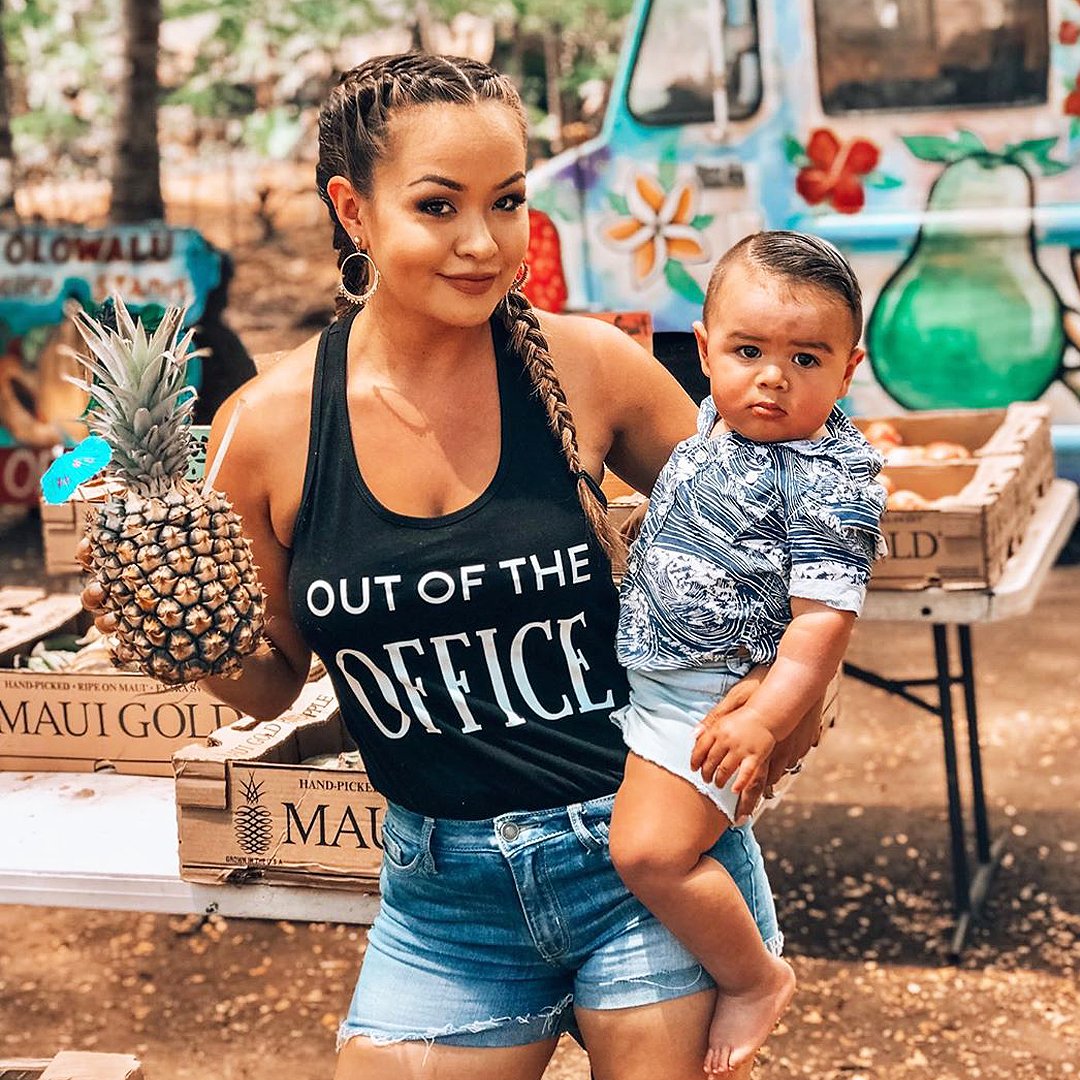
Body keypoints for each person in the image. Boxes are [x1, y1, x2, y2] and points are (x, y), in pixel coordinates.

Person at [80, 54, 817, 1079]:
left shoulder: (592, 369)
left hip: (646, 860)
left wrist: (789, 695)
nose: (483, 242)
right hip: (442, 899)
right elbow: (274, 681)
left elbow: (789, 520)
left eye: (507, 201)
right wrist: (183, 638)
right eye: (439, 206)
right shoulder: (267, 429)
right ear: (354, 210)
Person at [607, 231, 888, 1075]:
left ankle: (754, 976)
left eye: (806, 359)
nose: (773, 377)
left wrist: (766, 717)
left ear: (848, 370)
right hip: (658, 679)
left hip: (715, 699)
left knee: (649, 855)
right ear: (704, 352)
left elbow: (820, 623)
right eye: (748, 351)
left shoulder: (830, 479)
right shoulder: (719, 422)